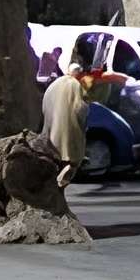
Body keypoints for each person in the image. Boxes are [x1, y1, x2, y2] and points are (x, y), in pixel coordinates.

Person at [41, 54, 91, 186]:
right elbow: (81, 109)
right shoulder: (76, 85)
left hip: (51, 129)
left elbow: (45, 104)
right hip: (70, 129)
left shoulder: (55, 84)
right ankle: (64, 175)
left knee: (55, 155)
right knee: (72, 156)